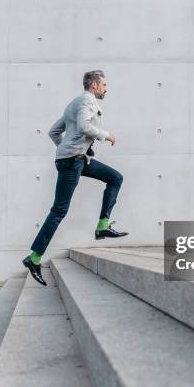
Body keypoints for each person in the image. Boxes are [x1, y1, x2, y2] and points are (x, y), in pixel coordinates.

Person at [22, 70, 128, 285]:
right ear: (94, 85)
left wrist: (70, 148)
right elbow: (84, 126)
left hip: (78, 159)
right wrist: (106, 135)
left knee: (115, 178)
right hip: (72, 162)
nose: (106, 89)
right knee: (59, 210)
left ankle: (102, 226)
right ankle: (34, 258)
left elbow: (54, 132)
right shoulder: (86, 102)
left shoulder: (74, 103)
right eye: (104, 85)